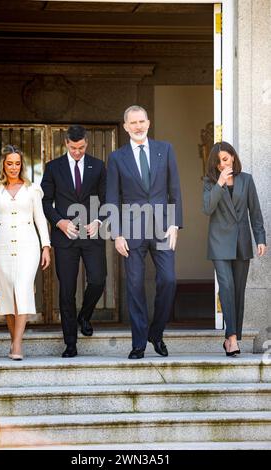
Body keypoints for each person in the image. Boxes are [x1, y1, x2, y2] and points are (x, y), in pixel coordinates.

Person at [106, 105, 183, 359]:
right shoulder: (117, 157)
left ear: (148, 123)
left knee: (169, 280)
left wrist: (175, 224)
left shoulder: (165, 149)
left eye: (142, 121)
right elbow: (112, 197)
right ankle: (139, 342)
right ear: (126, 126)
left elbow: (175, 190)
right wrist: (116, 233)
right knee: (135, 285)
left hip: (163, 227)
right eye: (133, 123)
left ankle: (156, 333)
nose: (138, 126)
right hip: (131, 230)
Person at [41, 125, 107, 358]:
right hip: (65, 236)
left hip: (91, 235)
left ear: (86, 144)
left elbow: (107, 198)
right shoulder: (52, 168)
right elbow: (46, 203)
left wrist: (98, 221)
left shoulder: (98, 166)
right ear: (66, 144)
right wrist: (60, 222)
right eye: (73, 148)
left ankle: (84, 316)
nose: (77, 152)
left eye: (81, 148)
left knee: (98, 280)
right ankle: (70, 343)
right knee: (66, 292)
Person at [0, 145, 51, 360]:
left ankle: (18, 345)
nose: (13, 167)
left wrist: (45, 247)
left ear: (22, 165)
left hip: (28, 246)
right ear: (3, 164)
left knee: (23, 291)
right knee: (8, 295)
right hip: (1, 246)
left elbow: (40, 219)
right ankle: (14, 341)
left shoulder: (33, 190)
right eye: (9, 163)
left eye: (17, 163)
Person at [203, 141, 267, 356]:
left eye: (225, 159)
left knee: (238, 290)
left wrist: (260, 238)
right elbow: (207, 208)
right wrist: (219, 183)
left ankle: (233, 337)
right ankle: (232, 339)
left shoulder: (246, 180)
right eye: (218, 161)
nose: (222, 164)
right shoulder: (209, 182)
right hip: (219, 243)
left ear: (233, 157)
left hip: (241, 242)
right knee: (227, 287)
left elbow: (255, 212)